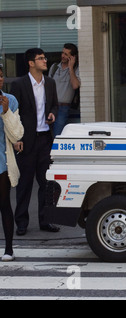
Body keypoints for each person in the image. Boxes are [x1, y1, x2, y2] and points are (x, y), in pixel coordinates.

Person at [10, 48, 60, 236]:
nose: (45, 61)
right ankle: (21, 223)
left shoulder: (50, 83)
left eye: (44, 57)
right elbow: (13, 114)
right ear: (31, 63)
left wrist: (53, 113)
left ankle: (46, 220)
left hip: (45, 139)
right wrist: (16, 139)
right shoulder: (19, 84)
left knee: (47, 183)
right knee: (25, 184)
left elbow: (55, 104)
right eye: (41, 58)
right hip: (26, 141)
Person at [0, 66, 24, 261]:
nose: (0, 79)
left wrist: (6, 111)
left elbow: (17, 134)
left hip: (2, 161)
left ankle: (9, 248)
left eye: (0, 76)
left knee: (4, 203)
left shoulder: (10, 100)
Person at [50, 43, 80, 136]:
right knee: (48, 135)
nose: (63, 56)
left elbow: (75, 85)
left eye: (66, 54)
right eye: (63, 53)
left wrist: (71, 68)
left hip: (64, 107)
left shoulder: (76, 70)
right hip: (51, 106)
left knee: (57, 135)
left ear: (72, 57)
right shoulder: (54, 67)